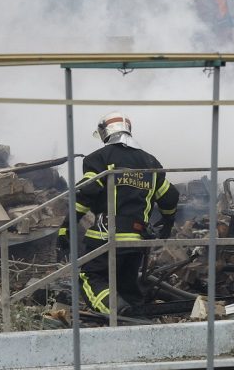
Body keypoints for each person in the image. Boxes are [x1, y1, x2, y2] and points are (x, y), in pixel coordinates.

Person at [56, 111, 178, 314]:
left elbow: (86, 194)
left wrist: (65, 230)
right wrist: (168, 222)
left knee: (89, 276)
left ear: (106, 132)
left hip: (106, 235)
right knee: (126, 283)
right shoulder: (150, 162)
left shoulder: (99, 158)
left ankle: (119, 313)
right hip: (137, 238)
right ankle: (137, 322)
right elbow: (170, 196)